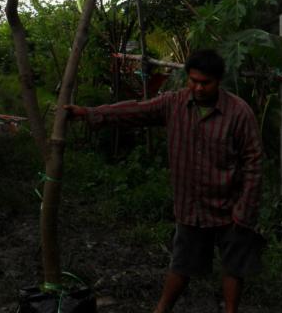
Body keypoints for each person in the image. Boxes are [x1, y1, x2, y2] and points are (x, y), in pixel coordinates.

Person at [64, 48, 263, 313]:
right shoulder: (175, 103)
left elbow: (253, 162)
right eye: (193, 80)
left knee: (234, 267)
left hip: (231, 207)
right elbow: (135, 111)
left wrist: (244, 210)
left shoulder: (238, 113)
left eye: (205, 82)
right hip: (191, 207)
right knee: (181, 264)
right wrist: (88, 113)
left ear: (219, 81)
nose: (198, 88)